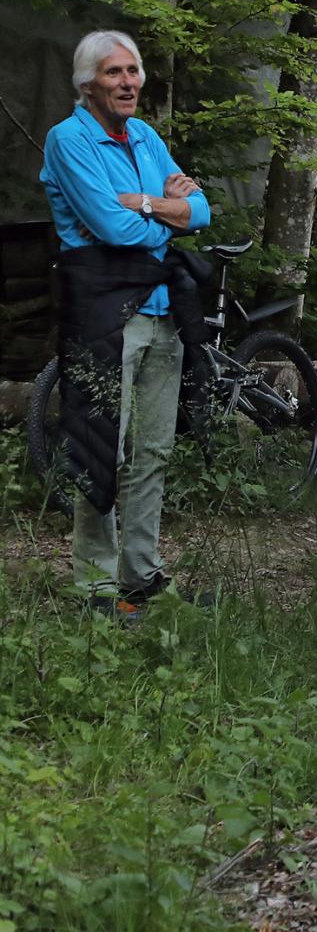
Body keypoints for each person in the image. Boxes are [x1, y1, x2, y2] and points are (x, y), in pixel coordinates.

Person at [40, 30, 211, 619]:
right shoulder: (69, 139)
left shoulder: (144, 135)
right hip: (104, 310)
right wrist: (168, 214)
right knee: (99, 447)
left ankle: (141, 575)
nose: (128, 83)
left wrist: (140, 203)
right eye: (114, 73)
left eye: (133, 71)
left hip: (163, 312)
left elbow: (204, 209)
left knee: (155, 450)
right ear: (88, 83)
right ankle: (95, 587)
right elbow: (112, 231)